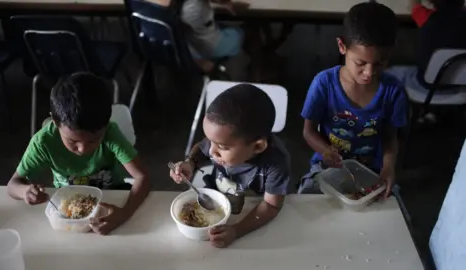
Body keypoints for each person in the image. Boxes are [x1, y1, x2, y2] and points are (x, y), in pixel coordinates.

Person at [6, 73, 150, 235]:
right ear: (55, 121)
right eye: (73, 141)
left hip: (112, 197)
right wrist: (25, 191)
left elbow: (142, 177)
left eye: (94, 140)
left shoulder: (111, 133)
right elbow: (12, 185)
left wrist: (124, 214)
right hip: (67, 209)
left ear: (106, 124)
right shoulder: (43, 142)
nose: (82, 149)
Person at [298, 2, 409, 198]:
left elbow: (391, 137)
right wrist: (325, 151)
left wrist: (388, 167)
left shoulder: (393, 91)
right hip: (327, 164)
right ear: (342, 46)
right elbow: (308, 131)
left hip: (372, 169)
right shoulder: (324, 83)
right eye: (360, 63)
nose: (369, 73)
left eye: (379, 64)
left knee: (392, 210)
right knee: (308, 201)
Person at [169, 84, 290, 248]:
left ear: (257, 147)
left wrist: (237, 230)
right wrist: (190, 162)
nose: (212, 151)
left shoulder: (276, 162)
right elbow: (201, 148)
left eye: (222, 147)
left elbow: (270, 206)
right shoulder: (219, 140)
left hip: (251, 215)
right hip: (217, 204)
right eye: (210, 141)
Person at [386, 0, 466, 122]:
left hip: (425, 86)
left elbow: (413, 4)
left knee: (388, 71)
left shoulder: (426, 17)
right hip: (459, 87)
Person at [180, 0, 248, 73]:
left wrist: (222, 3)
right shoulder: (192, 10)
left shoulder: (188, 6)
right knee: (243, 32)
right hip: (209, 46)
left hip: (196, 44)